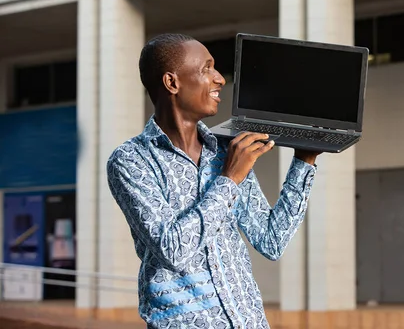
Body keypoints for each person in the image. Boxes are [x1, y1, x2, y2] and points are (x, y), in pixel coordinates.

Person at [106, 33, 319, 329]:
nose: (219, 79)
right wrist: (229, 179)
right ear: (172, 83)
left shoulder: (224, 151)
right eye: (207, 69)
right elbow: (173, 250)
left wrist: (305, 161)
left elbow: (271, 241)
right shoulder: (130, 161)